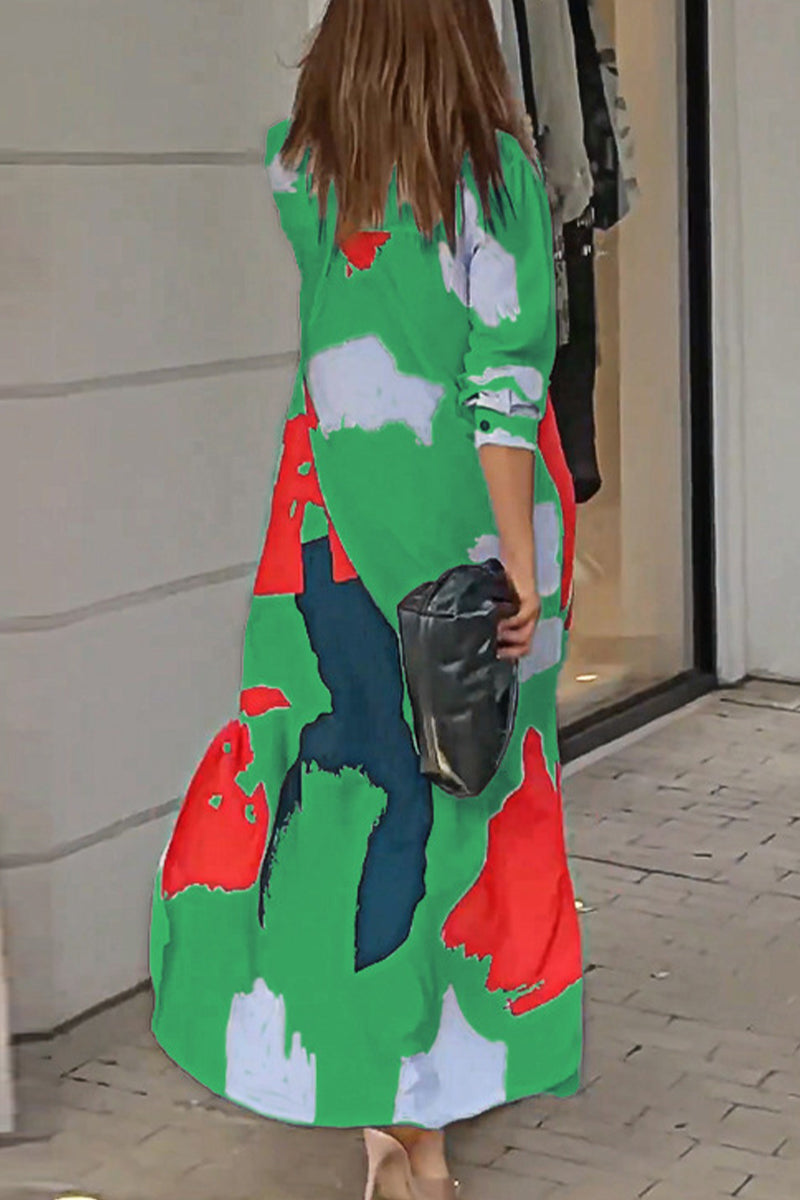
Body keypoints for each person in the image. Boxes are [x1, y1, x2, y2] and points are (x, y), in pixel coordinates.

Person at [149, 1, 583, 1196]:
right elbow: (501, 385)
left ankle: (381, 1118)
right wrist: (523, 567)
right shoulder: (490, 177)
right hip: (455, 542)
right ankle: (418, 1130)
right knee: (460, 809)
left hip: (322, 536)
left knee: (344, 806)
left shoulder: (304, 167)